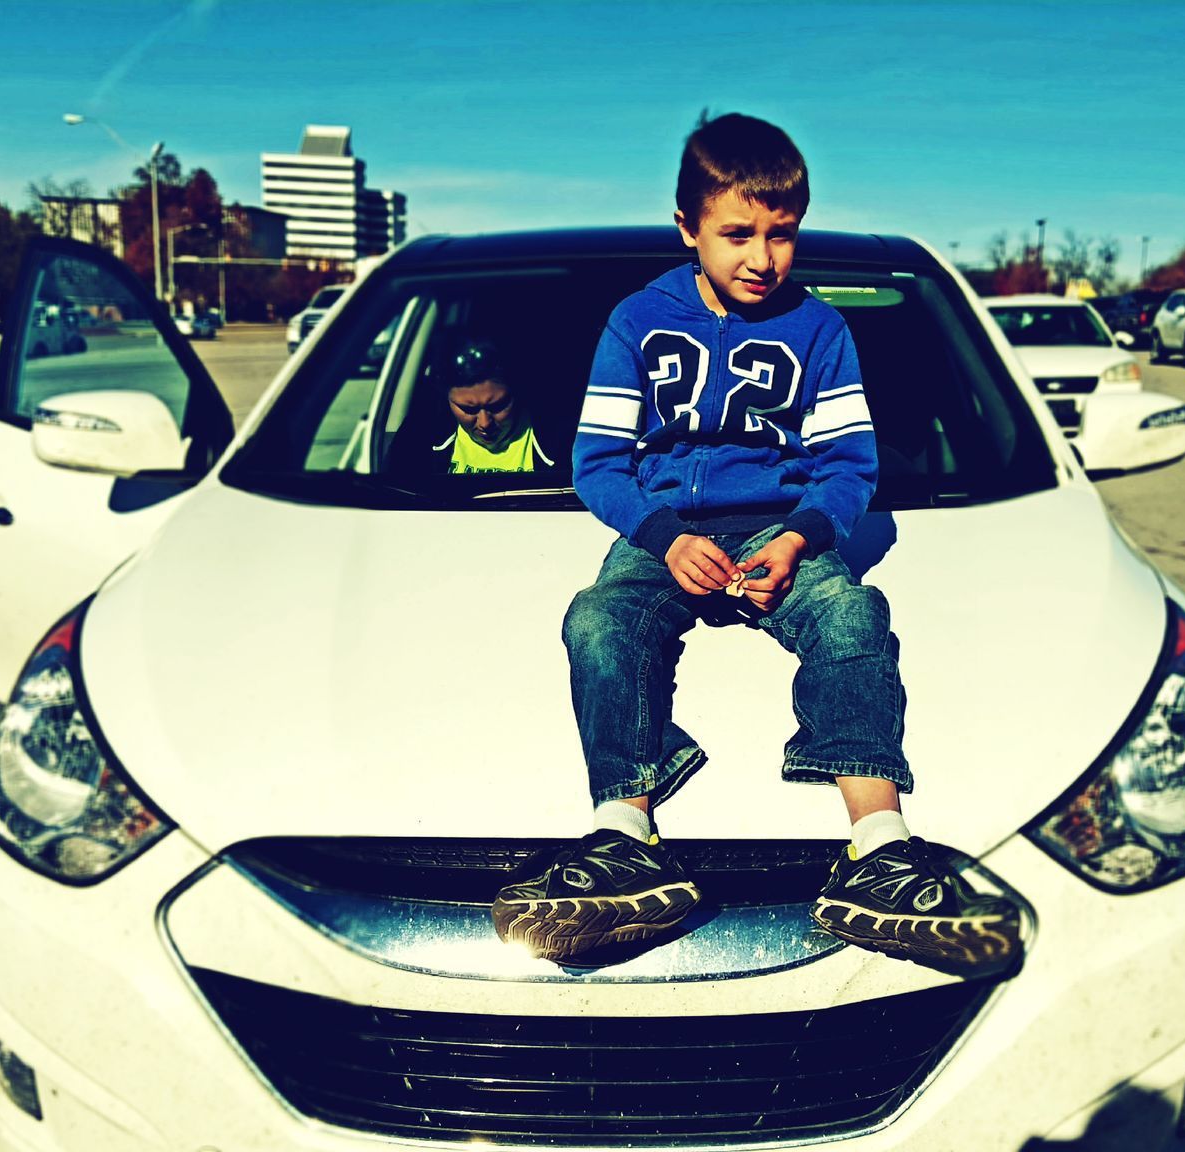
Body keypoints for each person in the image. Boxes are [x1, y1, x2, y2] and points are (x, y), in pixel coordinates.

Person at [490, 113, 1021, 974]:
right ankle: (626, 833)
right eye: (737, 233)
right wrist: (661, 539)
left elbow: (850, 468)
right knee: (597, 620)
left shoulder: (821, 330)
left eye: (782, 234)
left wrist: (803, 537)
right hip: (664, 532)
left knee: (850, 613)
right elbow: (597, 464)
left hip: (781, 527)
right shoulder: (636, 321)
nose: (762, 257)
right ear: (688, 230)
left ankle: (879, 850)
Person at [432, 339, 556, 474]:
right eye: (469, 410)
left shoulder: (559, 444)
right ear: (447, 399)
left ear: (517, 391)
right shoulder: (421, 441)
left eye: (498, 406)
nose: (485, 423)